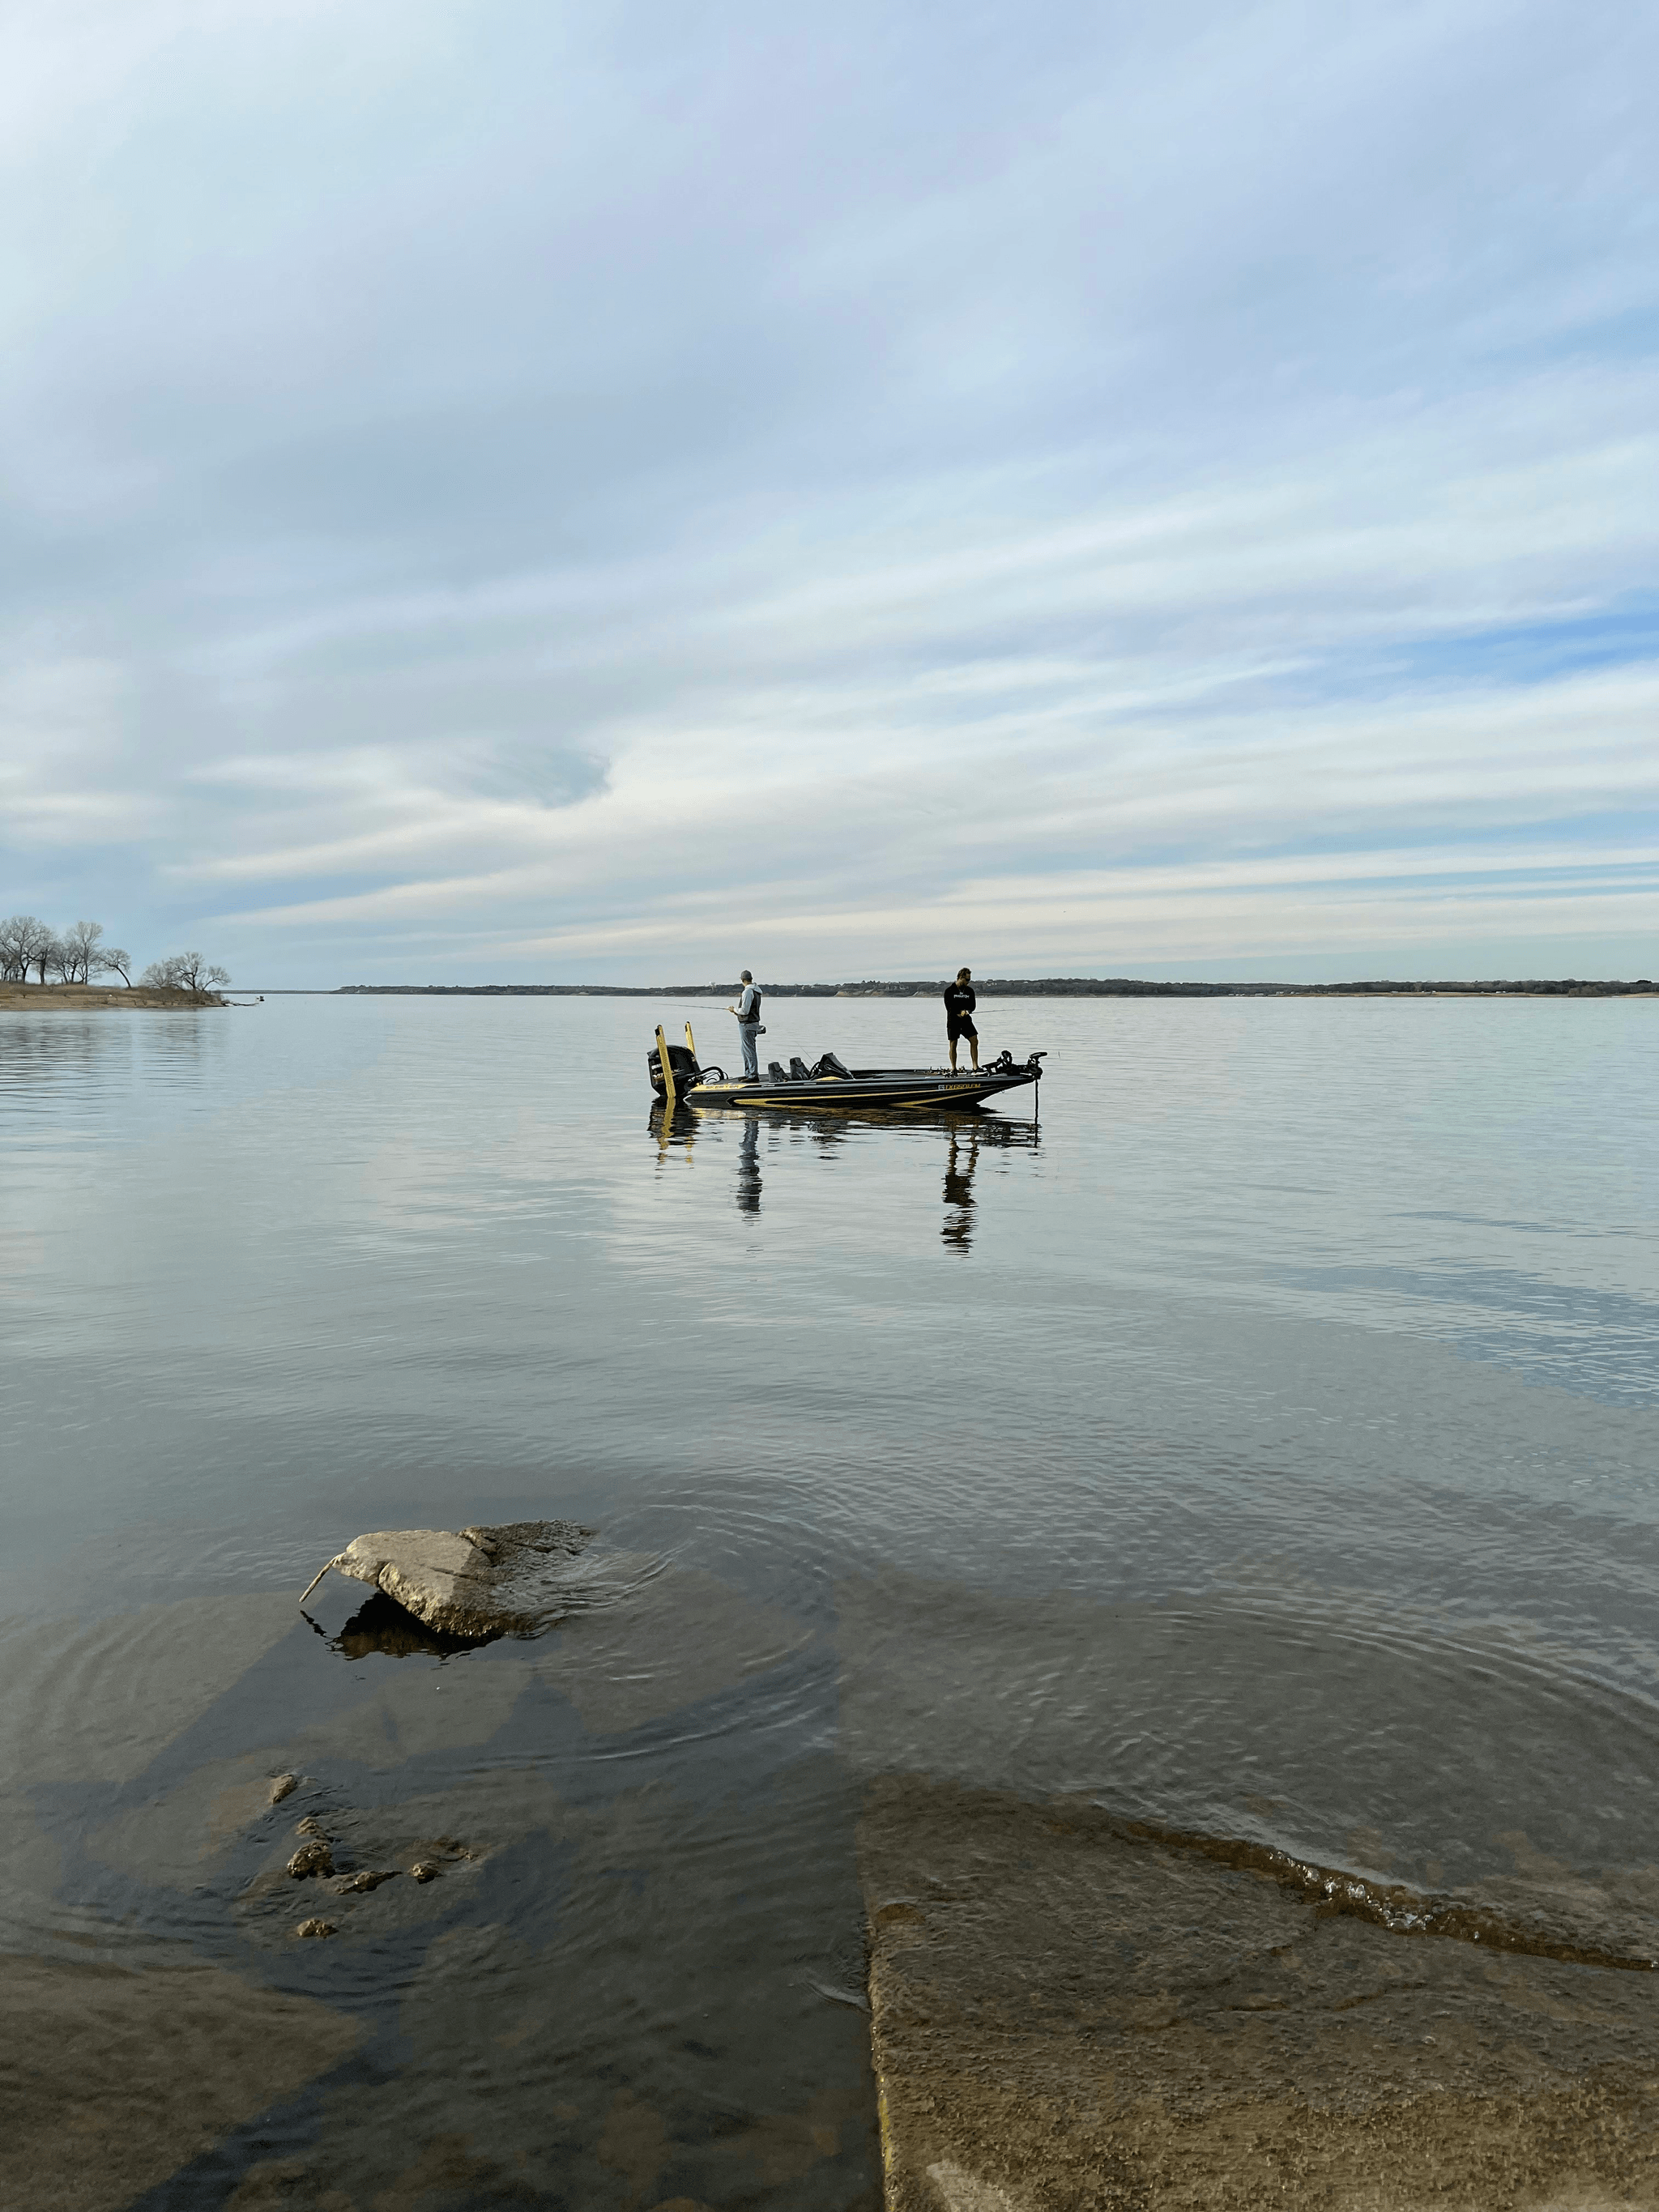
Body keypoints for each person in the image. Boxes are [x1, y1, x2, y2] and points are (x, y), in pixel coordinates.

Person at [727, 970, 763, 1077]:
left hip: (747, 1025)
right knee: (745, 1050)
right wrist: (736, 1013)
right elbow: (749, 1011)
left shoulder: (747, 991)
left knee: (749, 1050)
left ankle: (752, 1074)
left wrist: (734, 1010)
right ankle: (748, 1073)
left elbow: (745, 1011)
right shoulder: (756, 991)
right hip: (752, 1023)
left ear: (743, 980)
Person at [944, 967, 979, 1071]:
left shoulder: (970, 991)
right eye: (967, 980)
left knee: (975, 1041)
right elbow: (948, 1007)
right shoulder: (949, 991)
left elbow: (973, 1006)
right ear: (960, 977)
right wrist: (958, 1013)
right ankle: (954, 1068)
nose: (968, 982)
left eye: (969, 980)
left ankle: (975, 1067)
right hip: (953, 1021)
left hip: (966, 1021)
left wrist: (967, 1011)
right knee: (953, 1045)